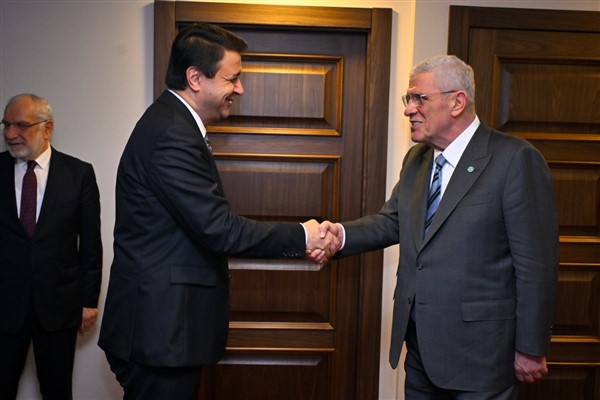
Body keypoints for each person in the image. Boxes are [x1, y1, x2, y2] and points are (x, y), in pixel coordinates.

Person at [98, 23, 337, 399]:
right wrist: (303, 235)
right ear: (195, 78)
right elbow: (220, 230)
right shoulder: (171, 134)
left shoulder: (172, 123)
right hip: (161, 333)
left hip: (165, 331)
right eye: (232, 78)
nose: (240, 89)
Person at [317, 55, 559, 399]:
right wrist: (340, 236)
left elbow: (536, 264)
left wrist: (531, 346)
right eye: (409, 99)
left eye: (419, 98)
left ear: (457, 102)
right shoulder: (417, 159)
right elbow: (393, 221)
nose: (409, 110)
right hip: (421, 351)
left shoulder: (514, 159)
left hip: (483, 355)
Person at [0, 93, 102, 399]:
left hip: (59, 306)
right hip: (4, 306)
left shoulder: (79, 174)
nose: (10, 134)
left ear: (48, 128)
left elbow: (91, 244)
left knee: (57, 391)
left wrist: (89, 301)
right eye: (6, 125)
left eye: (21, 125)